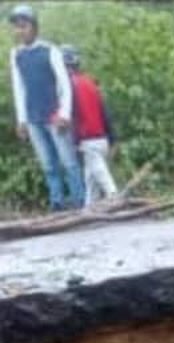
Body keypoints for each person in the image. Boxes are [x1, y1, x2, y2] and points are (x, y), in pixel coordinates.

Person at [8, 3, 84, 210]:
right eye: (17, 27)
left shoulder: (50, 50)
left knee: (68, 161)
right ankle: (57, 202)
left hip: (54, 115)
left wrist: (64, 114)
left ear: (33, 26)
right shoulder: (16, 55)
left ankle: (79, 202)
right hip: (33, 118)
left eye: (24, 26)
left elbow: (64, 84)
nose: (20, 30)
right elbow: (19, 89)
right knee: (48, 165)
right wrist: (21, 120)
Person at [61, 45, 117, 205]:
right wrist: (113, 137)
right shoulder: (91, 82)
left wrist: (75, 139)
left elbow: (74, 115)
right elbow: (104, 111)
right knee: (90, 175)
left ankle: (114, 195)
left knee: (98, 170)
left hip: (87, 138)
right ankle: (89, 207)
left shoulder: (68, 87)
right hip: (101, 137)